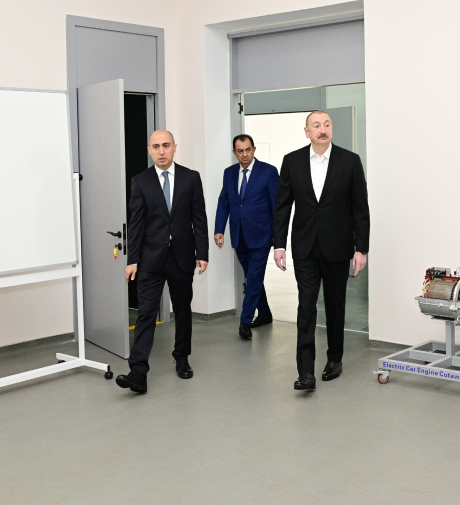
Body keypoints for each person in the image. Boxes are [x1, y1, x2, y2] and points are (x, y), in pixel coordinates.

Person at [273, 111, 369, 391]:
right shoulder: (292, 161)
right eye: (316, 125)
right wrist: (279, 244)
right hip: (305, 246)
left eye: (327, 125)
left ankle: (335, 359)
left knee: (335, 306)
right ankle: (305, 372)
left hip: (338, 246)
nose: (322, 129)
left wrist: (361, 249)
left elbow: (360, 208)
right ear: (307, 132)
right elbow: (282, 206)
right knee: (306, 306)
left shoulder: (349, 161)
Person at [116, 130, 209, 394]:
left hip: (182, 257)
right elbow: (136, 224)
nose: (161, 151)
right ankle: (138, 371)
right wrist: (132, 260)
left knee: (182, 310)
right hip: (149, 259)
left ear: (174, 147)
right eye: (156, 146)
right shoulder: (140, 181)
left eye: (166, 145)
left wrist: (202, 252)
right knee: (146, 312)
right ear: (149, 150)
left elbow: (199, 218)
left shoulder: (191, 178)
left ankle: (182, 357)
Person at [214, 134, 279, 340]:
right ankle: (265, 313)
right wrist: (219, 229)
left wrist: (278, 236)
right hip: (239, 235)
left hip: (262, 236)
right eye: (240, 151)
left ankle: (245, 322)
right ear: (234, 152)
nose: (245, 154)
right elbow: (224, 201)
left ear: (254, 149)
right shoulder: (229, 173)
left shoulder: (268, 171)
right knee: (253, 277)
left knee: (253, 279)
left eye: (248, 150)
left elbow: (277, 206)